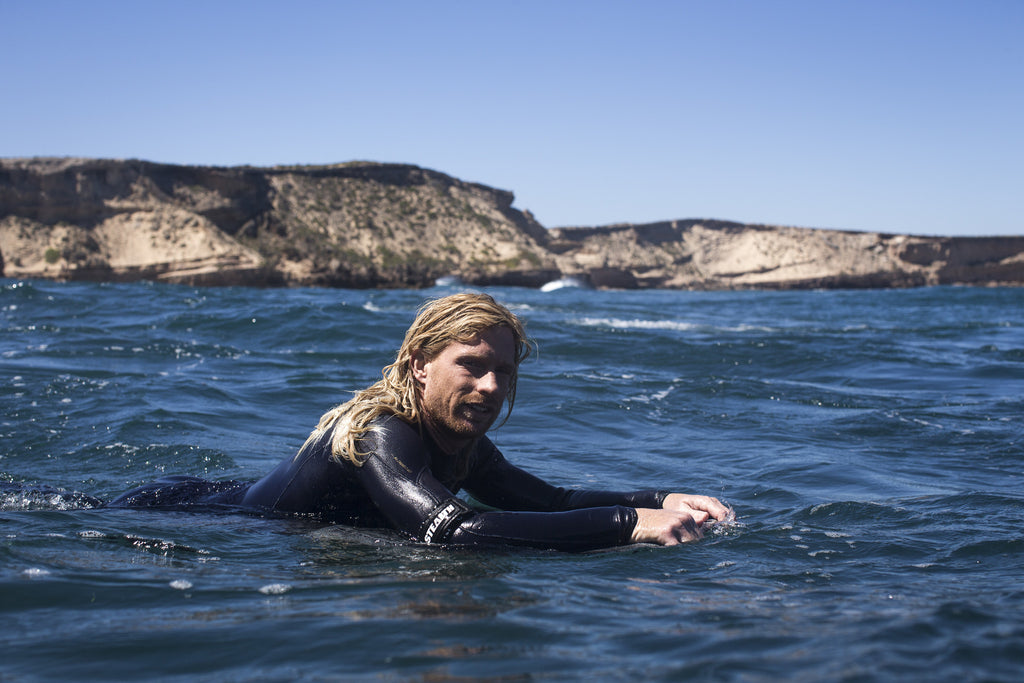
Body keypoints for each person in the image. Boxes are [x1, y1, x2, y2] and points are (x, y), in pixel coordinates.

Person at [108, 293, 732, 552]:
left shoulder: (460, 444)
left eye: (505, 373)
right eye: (471, 366)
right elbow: (452, 530)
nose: (490, 387)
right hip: (185, 515)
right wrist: (628, 525)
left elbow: (553, 499)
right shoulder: (384, 434)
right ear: (418, 366)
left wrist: (658, 497)